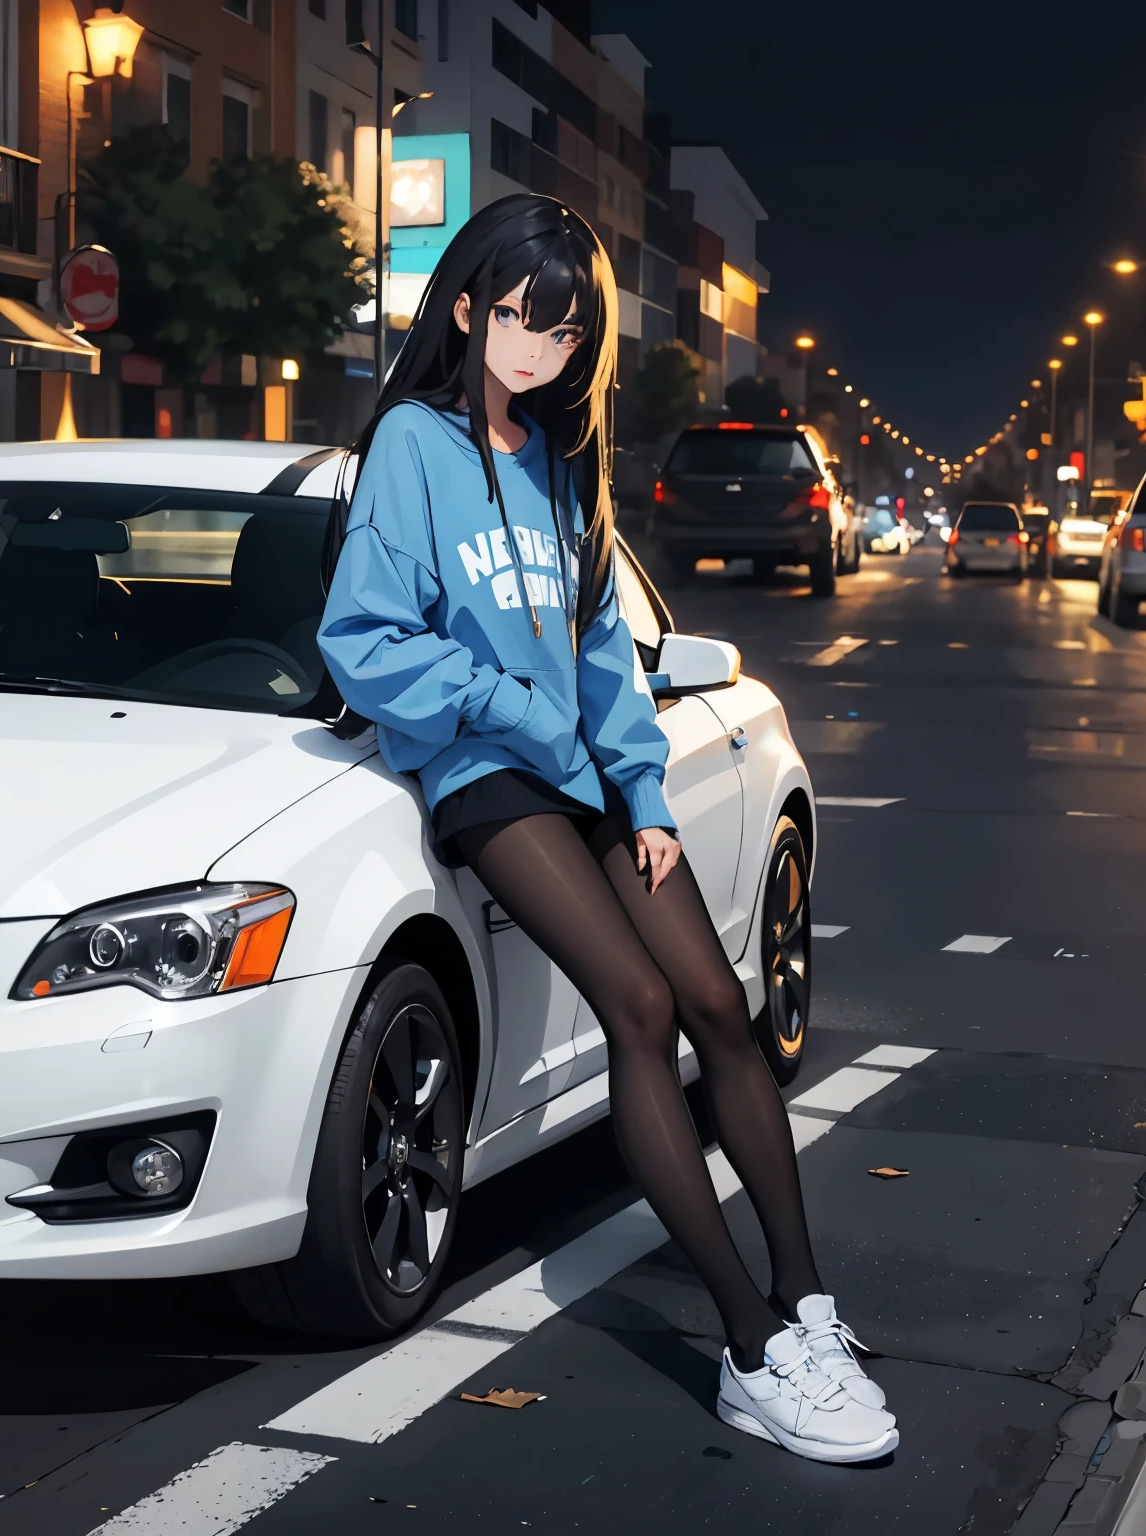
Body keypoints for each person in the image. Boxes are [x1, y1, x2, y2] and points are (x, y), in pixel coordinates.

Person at [317, 195, 898, 1466]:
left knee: (721, 1005)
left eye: (569, 331)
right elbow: (364, 645)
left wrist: (641, 798)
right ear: (469, 307)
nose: (542, 347)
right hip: (483, 778)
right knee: (637, 1006)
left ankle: (805, 1304)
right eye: (525, 318)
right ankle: (747, 1350)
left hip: (584, 775)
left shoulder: (564, 464)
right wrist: (504, 706)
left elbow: (601, 664)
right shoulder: (411, 449)